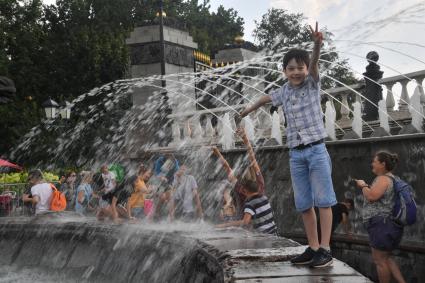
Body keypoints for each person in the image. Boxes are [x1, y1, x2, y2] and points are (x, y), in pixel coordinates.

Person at [239, 22, 336, 268]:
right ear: (284, 71)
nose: (296, 72)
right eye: (291, 68)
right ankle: (313, 247)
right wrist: (248, 110)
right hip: (296, 154)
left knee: (324, 200)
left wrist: (316, 44)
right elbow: (265, 98)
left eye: (299, 68)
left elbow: (314, 63)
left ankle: (325, 248)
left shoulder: (312, 84)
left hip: (316, 149)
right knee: (304, 203)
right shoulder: (284, 91)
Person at [355, 151, 405, 283]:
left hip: (381, 224)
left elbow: (372, 197)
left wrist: (363, 185)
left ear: (382, 164)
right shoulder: (393, 178)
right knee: (387, 258)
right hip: (388, 224)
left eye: (375, 161)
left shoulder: (383, 179)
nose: (372, 163)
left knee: (380, 261)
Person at [212, 127, 265, 219]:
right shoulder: (260, 185)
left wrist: (216, 152)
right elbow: (253, 158)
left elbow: (227, 167)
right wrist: (245, 138)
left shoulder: (240, 188)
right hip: (260, 222)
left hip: (243, 222)